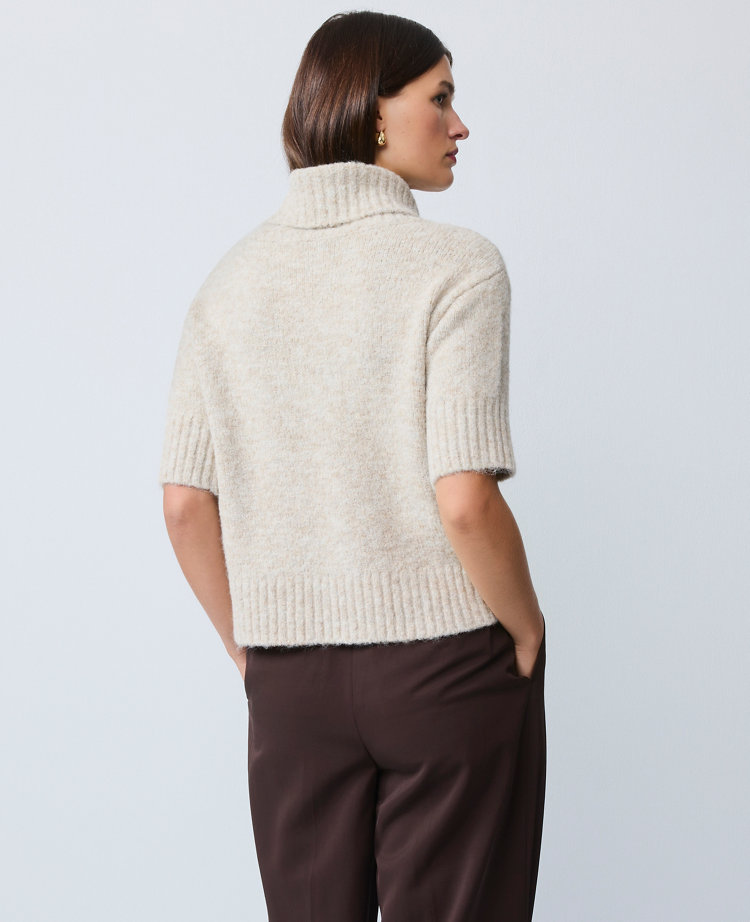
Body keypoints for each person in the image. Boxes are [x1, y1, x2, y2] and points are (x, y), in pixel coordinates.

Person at [158, 10, 547, 922]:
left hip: (290, 684)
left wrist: (251, 649)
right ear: (374, 112)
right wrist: (527, 627)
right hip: (445, 668)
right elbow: (464, 499)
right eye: (440, 97)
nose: (459, 124)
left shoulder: (229, 283)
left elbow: (183, 504)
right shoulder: (459, 267)